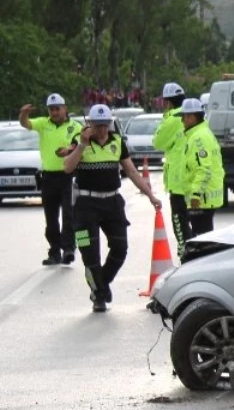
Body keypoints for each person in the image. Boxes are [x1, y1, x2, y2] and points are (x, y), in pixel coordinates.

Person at [62, 105, 161, 312]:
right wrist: (81, 145)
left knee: (120, 248)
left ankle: (102, 284)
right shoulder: (79, 142)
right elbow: (67, 167)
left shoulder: (116, 141)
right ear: (89, 125)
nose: (102, 130)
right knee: (88, 254)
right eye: (98, 126)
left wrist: (150, 195)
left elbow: (132, 172)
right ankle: (98, 295)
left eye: (105, 125)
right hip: (84, 206)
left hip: (112, 203)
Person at [20, 95, 84, 265]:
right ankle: (54, 251)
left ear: (65, 108)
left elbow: (78, 143)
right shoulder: (43, 124)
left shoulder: (75, 125)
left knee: (69, 215)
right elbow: (26, 124)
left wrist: (69, 150)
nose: (54, 112)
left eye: (57, 108)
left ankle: (69, 249)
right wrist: (23, 115)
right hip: (48, 177)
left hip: (68, 176)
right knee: (51, 217)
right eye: (51, 109)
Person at [179, 99, 224, 236]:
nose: (182, 121)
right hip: (204, 198)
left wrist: (196, 195)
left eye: (183, 117)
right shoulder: (204, 133)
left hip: (201, 200)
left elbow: (203, 169)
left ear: (192, 117)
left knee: (202, 240)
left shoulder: (198, 137)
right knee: (204, 238)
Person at [152, 82, 190, 247]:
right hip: (194, 181)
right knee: (197, 227)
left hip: (179, 183)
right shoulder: (194, 116)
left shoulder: (173, 120)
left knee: (180, 227)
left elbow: (158, 143)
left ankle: (186, 259)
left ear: (167, 102)